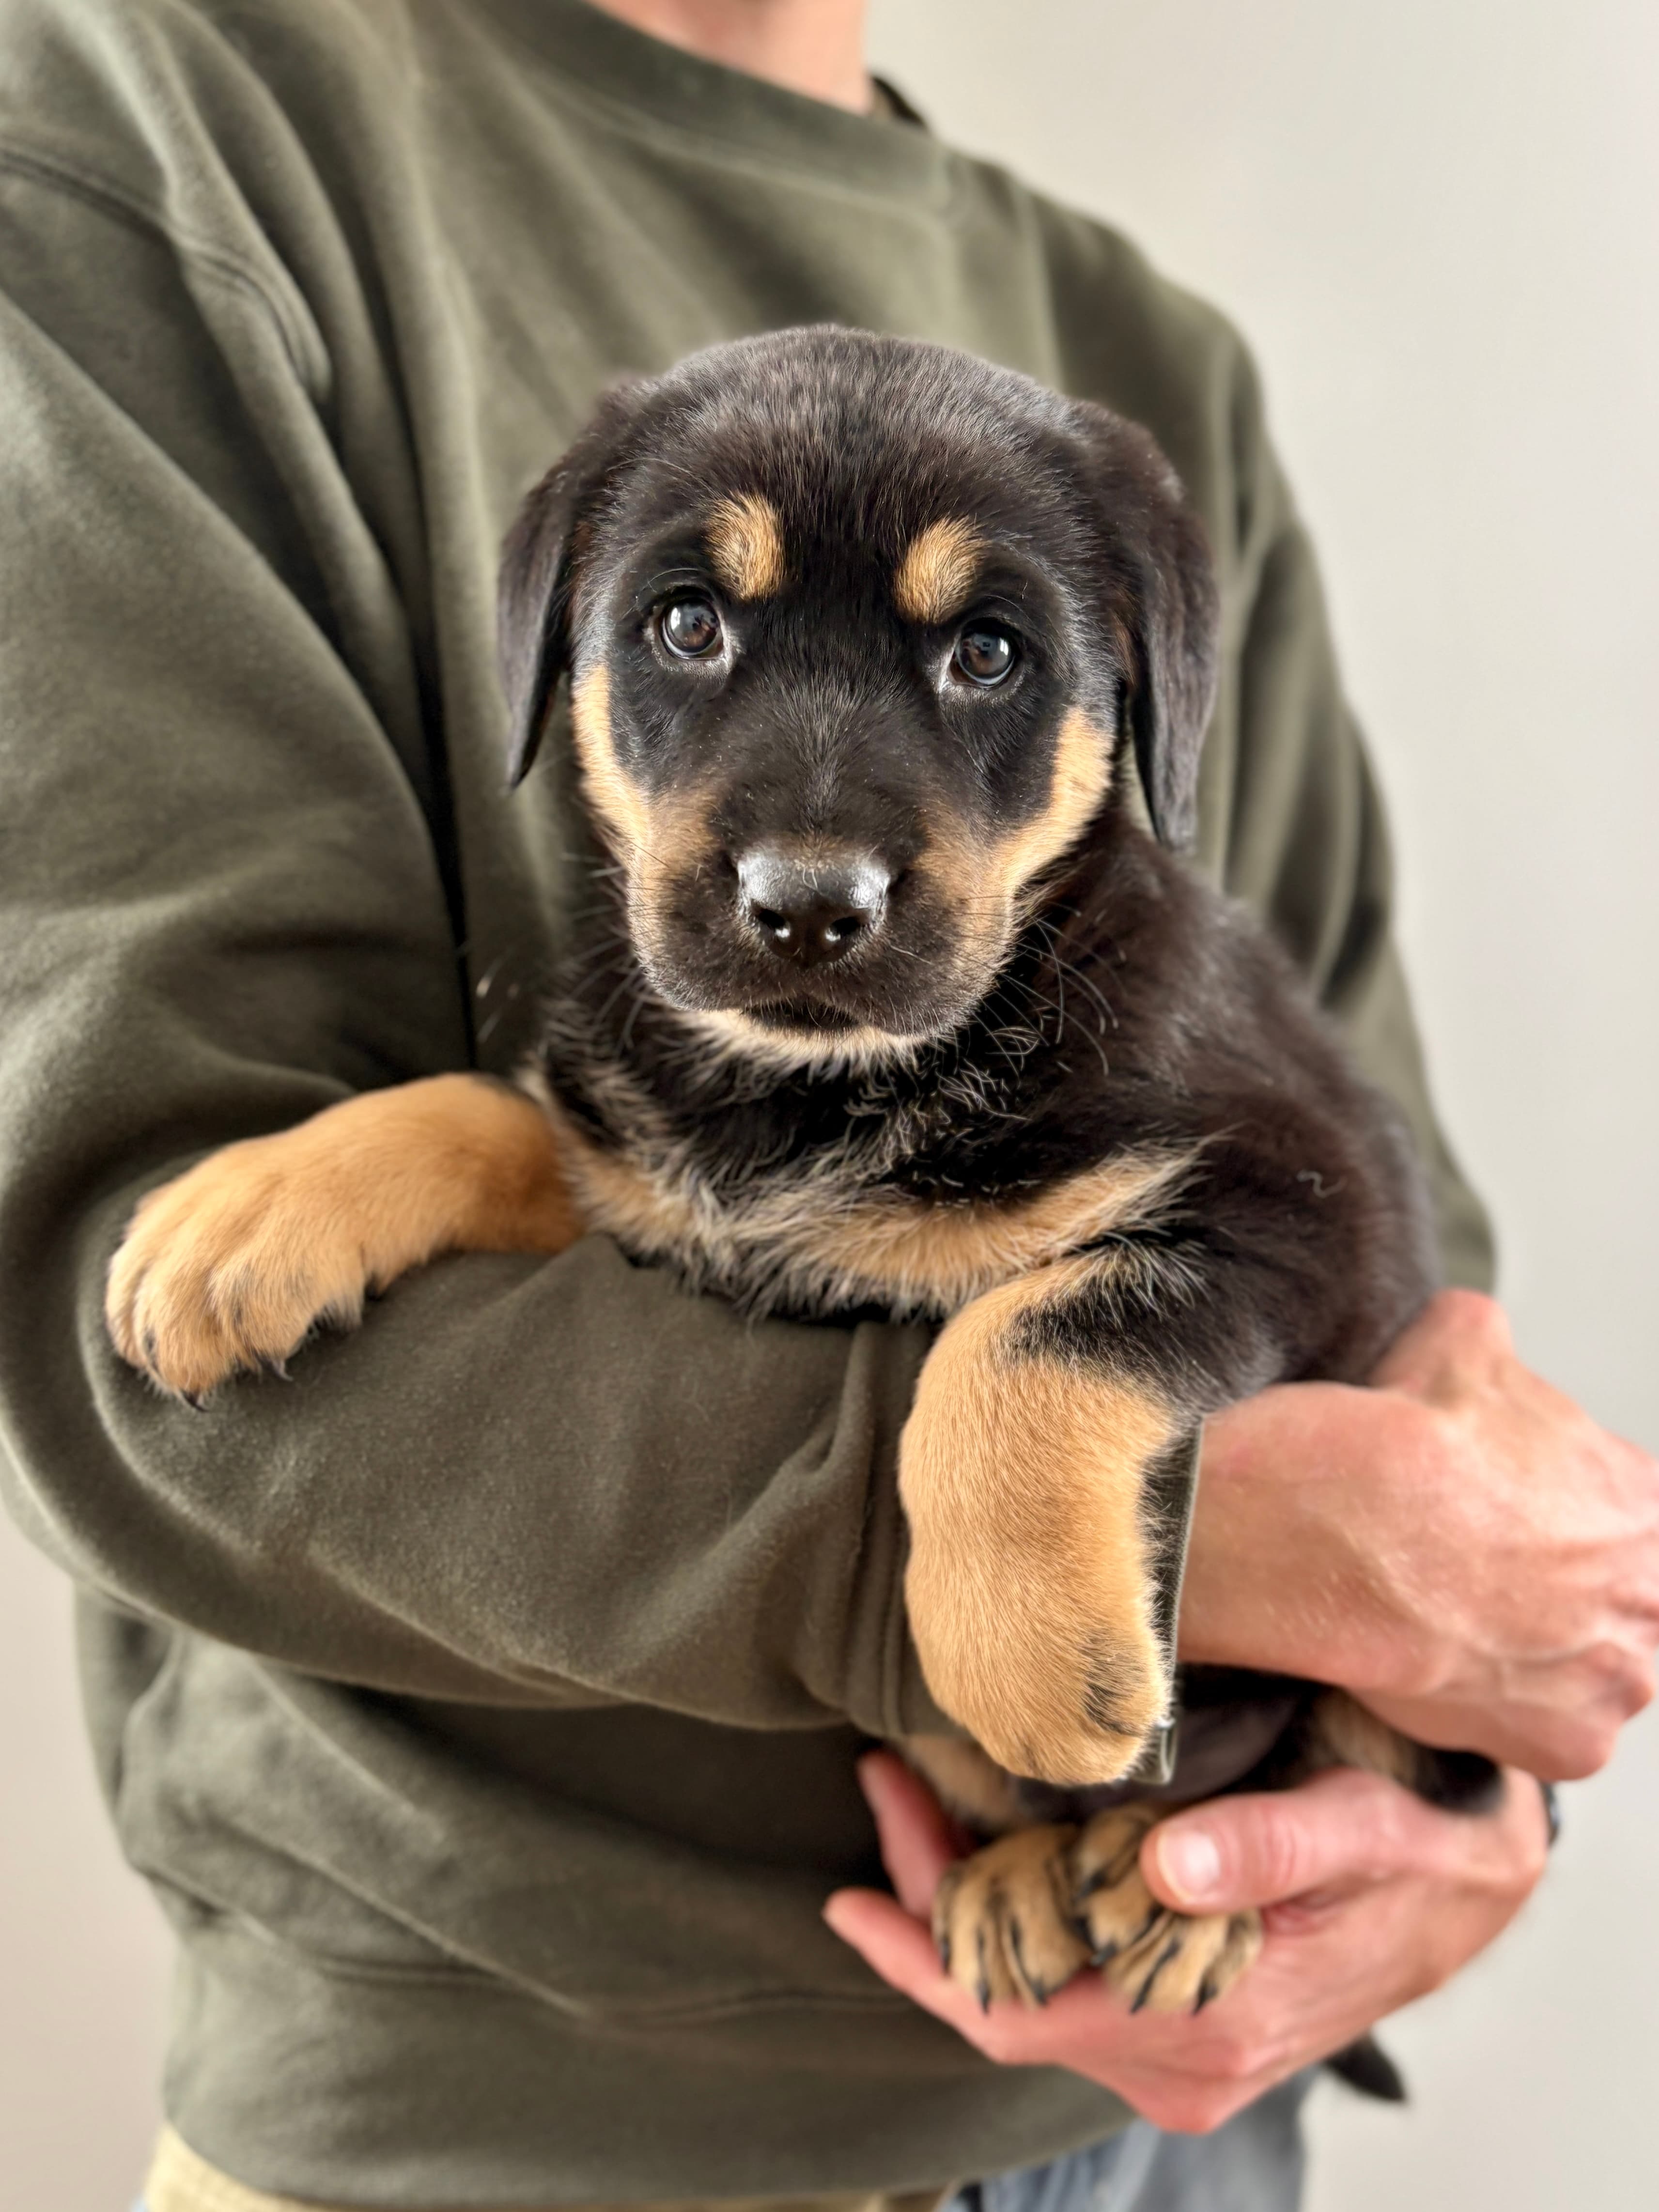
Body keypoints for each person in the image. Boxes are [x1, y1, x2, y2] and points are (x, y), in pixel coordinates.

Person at [0, 1, 1653, 2208]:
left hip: (1173, 2095)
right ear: (553, 659)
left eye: (987, 665)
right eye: (687, 627)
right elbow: (131, 1331)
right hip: (520, 2126)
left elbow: (1385, 1236)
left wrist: (1446, 1807)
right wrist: (983, 1526)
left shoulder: (1148, 360)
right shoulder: (141, 136)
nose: (812, 849)